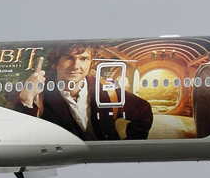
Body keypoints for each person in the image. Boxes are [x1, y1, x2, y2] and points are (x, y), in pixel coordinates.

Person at [13, 44, 152, 141]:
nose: (76, 66)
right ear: (56, 62)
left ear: (91, 63)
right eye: (69, 58)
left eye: (84, 59)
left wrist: (127, 146)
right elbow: (22, 135)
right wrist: (26, 98)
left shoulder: (105, 90)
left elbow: (144, 110)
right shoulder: (39, 93)